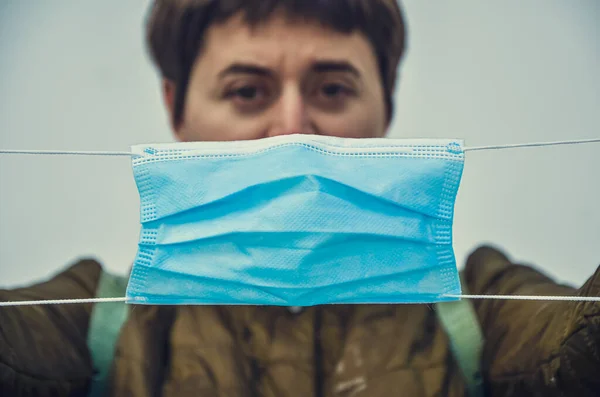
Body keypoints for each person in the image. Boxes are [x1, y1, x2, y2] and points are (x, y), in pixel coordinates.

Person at [1, 1, 598, 396]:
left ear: (385, 105)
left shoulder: (484, 303)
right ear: (175, 107)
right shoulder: (89, 315)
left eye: (333, 88)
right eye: (246, 91)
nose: (293, 129)